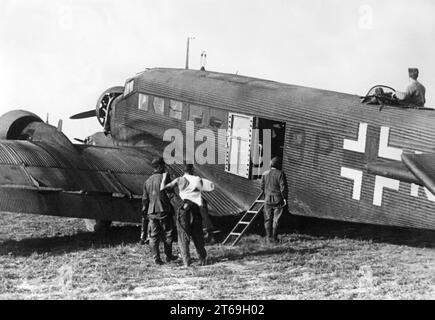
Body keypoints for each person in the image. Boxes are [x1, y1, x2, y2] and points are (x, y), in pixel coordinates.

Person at [162, 164, 209, 267]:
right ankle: (202, 258)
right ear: (192, 170)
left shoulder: (179, 180)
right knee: (197, 235)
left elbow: (164, 188)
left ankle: (186, 261)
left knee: (183, 235)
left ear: (184, 171)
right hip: (195, 208)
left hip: (183, 209)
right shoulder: (197, 179)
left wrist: (164, 178)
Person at [142, 157, 178, 265]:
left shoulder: (147, 181)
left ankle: (156, 258)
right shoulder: (164, 178)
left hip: (151, 212)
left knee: (154, 235)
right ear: (160, 166)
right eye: (163, 165)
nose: (165, 167)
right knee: (169, 232)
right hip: (164, 210)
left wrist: (145, 211)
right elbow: (170, 194)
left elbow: (145, 199)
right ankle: (168, 255)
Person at [261, 156, 288, 243]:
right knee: (276, 220)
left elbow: (262, 187)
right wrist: (284, 198)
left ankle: (269, 238)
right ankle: (275, 238)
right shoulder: (280, 173)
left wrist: (266, 195)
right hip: (278, 199)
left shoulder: (265, 173)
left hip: (267, 199)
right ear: (278, 164)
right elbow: (283, 188)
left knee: (268, 219)